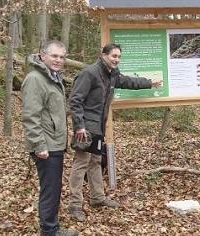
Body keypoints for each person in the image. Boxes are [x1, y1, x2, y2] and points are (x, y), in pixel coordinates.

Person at [68, 43, 162, 221]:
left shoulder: (112, 74)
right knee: (81, 163)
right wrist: (79, 125)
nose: (116, 59)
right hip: (86, 127)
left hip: (98, 126)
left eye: (119, 57)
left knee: (95, 160)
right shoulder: (89, 73)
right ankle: (74, 205)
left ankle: (97, 198)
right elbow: (75, 100)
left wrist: (150, 83)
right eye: (113, 56)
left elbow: (128, 81)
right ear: (103, 55)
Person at [21, 40, 78, 236]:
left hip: (55, 142)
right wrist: (39, 145)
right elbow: (30, 116)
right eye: (54, 56)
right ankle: (49, 231)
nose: (58, 60)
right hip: (46, 145)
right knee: (50, 190)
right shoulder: (35, 79)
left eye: (62, 57)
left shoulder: (52, 77)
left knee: (53, 188)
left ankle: (51, 227)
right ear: (42, 55)